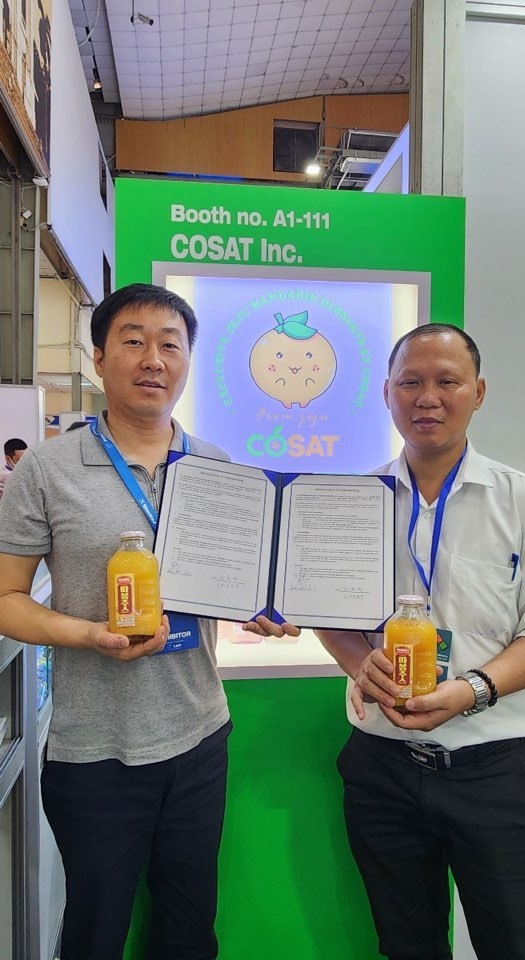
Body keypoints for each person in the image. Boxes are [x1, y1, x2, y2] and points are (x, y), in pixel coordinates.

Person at [0, 283, 298, 960]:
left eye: (171, 344)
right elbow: (7, 597)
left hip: (199, 735)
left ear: (188, 361)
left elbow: (233, 582)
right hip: (93, 750)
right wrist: (87, 635)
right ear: (100, 357)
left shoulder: (218, 467)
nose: (153, 359)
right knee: (96, 930)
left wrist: (263, 603)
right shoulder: (46, 468)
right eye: (133, 341)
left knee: (189, 930)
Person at [316, 323, 525, 960]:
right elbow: (328, 613)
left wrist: (473, 689)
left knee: (517, 943)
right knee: (405, 945)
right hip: (381, 765)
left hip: (496, 763)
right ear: (387, 393)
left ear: (479, 392)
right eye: (410, 382)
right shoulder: (350, 504)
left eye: (447, 381)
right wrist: (361, 664)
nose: (428, 397)